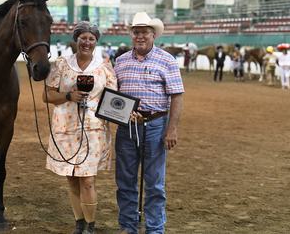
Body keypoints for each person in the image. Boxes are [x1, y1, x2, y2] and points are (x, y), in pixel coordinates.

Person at [42, 21, 117, 234]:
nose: (87, 42)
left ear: (96, 42)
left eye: (91, 39)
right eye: (83, 38)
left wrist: (123, 112)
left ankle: (90, 225)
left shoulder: (104, 67)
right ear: (76, 40)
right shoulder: (61, 64)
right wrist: (68, 95)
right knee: (72, 179)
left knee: (87, 180)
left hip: (94, 130)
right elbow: (46, 95)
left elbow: (113, 99)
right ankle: (79, 222)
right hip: (64, 128)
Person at [114, 12, 184, 234]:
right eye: (136, 32)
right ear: (131, 35)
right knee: (125, 180)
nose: (140, 36)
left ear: (153, 35)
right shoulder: (121, 61)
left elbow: (176, 95)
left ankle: (155, 228)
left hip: (156, 125)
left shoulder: (167, 60)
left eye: (144, 32)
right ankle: (128, 226)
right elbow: (114, 96)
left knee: (154, 183)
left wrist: (171, 129)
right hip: (127, 127)